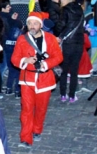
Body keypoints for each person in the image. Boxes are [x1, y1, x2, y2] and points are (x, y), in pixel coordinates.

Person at [11, 12, 63, 147]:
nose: (32, 26)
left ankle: (37, 129)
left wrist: (46, 64)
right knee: (27, 109)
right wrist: (25, 60)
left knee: (41, 108)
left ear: (40, 24)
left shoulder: (50, 39)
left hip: (45, 79)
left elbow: (58, 57)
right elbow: (14, 59)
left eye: (35, 23)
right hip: (27, 79)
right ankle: (25, 137)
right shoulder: (22, 40)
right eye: (29, 23)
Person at [54, 0, 85, 102]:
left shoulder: (65, 10)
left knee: (64, 69)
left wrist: (58, 33)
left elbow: (61, 25)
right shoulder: (80, 9)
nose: (61, 1)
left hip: (68, 43)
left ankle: (63, 94)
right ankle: (72, 95)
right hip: (79, 42)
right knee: (74, 70)